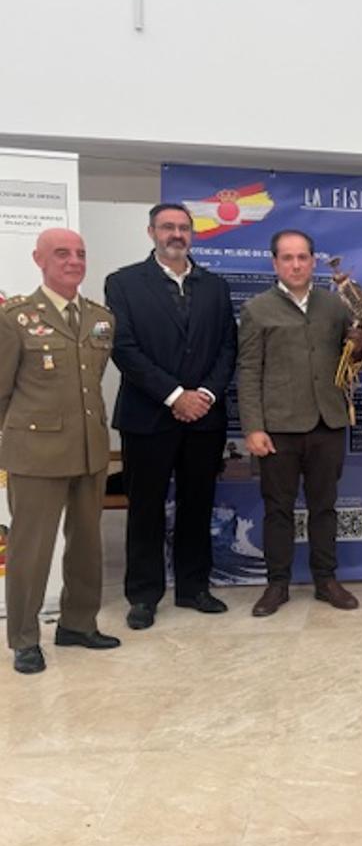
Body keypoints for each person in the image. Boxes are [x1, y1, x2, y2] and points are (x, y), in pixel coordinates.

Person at [104, 203, 237, 630]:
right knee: (146, 508)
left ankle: (194, 587)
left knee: (198, 506)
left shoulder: (215, 286)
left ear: (192, 234)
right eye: (167, 227)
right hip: (148, 417)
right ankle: (143, 595)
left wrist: (205, 395)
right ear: (152, 233)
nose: (176, 234)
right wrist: (175, 395)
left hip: (205, 417)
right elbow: (124, 349)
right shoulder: (123, 283)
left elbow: (227, 349)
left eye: (183, 228)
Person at [0, 228, 120, 673]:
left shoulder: (99, 318)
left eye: (80, 254)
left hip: (89, 449)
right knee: (31, 549)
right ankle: (25, 638)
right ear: (39, 259)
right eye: (62, 253)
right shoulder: (15, 317)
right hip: (36, 452)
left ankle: (78, 622)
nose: (73, 261)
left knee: (88, 542)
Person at [237, 229, 362, 617]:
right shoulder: (257, 309)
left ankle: (326, 580)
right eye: (287, 258)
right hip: (278, 427)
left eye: (302, 257)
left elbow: (355, 361)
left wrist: (360, 347)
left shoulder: (335, 305)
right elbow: (247, 370)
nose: (295, 264)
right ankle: (277, 584)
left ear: (312, 261)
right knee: (278, 509)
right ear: (275, 263)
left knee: (324, 506)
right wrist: (253, 427)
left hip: (327, 423)